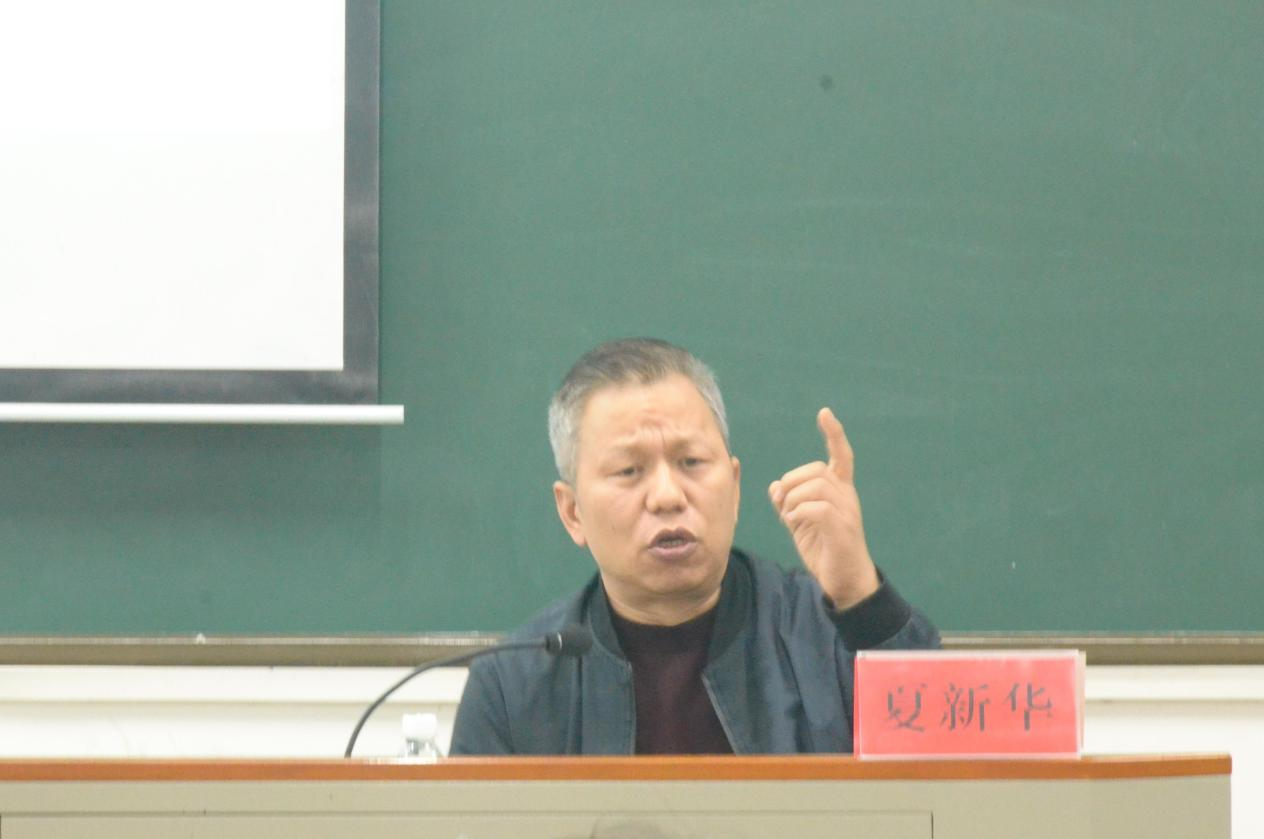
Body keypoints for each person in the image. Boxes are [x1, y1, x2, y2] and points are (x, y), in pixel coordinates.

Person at [450, 338, 938, 754]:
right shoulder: (512, 686)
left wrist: (861, 597)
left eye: (691, 462)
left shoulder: (824, 637)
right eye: (629, 471)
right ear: (572, 512)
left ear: (735, 486)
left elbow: (948, 769)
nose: (667, 496)